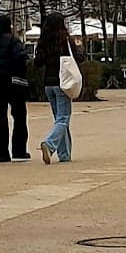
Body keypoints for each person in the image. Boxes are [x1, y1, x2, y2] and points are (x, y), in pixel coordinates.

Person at [35, 12, 83, 164]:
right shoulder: (65, 41)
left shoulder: (43, 41)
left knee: (59, 120)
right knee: (63, 118)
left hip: (48, 84)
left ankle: (65, 154)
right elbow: (79, 58)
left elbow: (37, 62)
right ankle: (49, 144)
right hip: (63, 82)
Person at [0, 13, 31, 162]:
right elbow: (20, 58)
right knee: (19, 115)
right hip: (12, 82)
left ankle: (1, 152)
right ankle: (19, 149)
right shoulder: (13, 40)